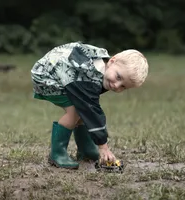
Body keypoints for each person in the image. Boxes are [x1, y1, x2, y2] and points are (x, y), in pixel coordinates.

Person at [31, 41, 149, 169]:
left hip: (64, 73)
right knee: (75, 111)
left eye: (123, 87)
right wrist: (103, 147)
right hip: (47, 75)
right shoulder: (89, 77)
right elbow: (91, 112)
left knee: (83, 107)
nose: (116, 85)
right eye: (118, 77)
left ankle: (86, 150)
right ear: (112, 61)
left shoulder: (101, 71)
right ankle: (57, 153)